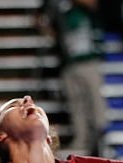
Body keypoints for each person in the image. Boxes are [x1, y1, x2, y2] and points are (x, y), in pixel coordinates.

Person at [45, 0, 108, 154]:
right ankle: (82, 140)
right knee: (76, 104)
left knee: (95, 101)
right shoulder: (61, 12)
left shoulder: (85, 10)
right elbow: (51, 30)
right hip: (69, 62)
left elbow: (94, 4)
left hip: (89, 60)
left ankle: (102, 140)